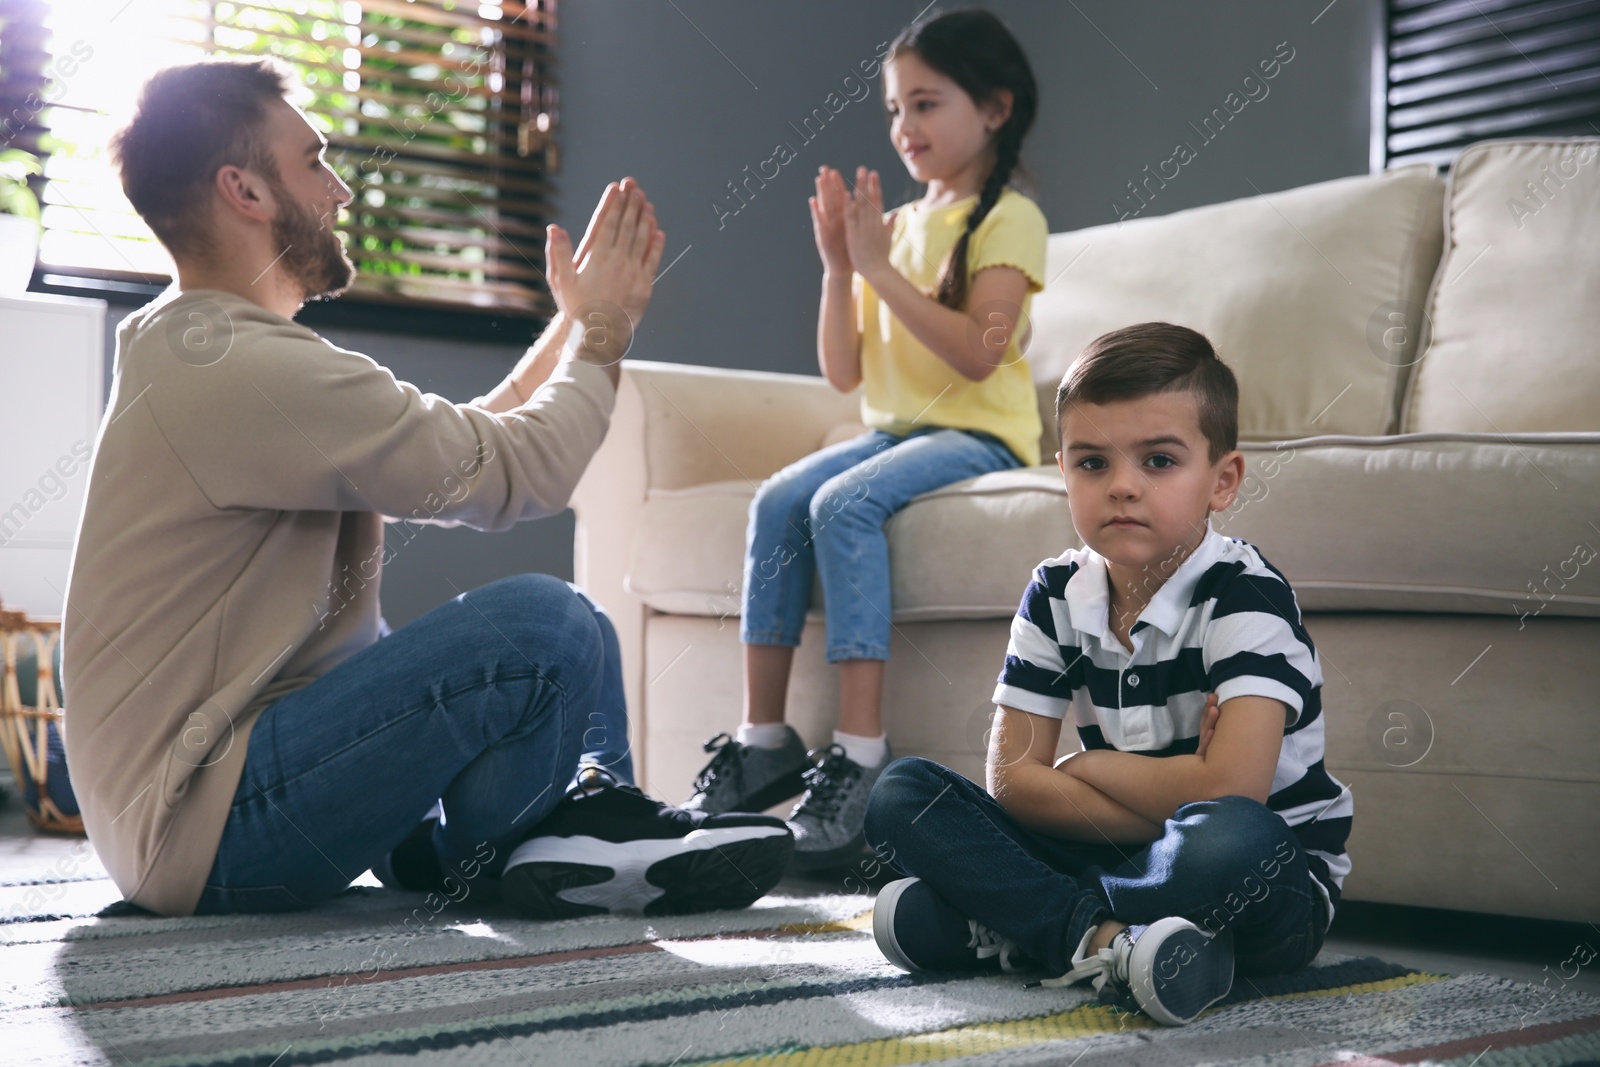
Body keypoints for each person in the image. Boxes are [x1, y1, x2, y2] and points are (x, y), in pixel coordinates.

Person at [60, 57, 794, 919]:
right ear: (245, 191)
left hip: (215, 801)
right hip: (210, 828)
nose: (337, 190)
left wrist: (569, 325)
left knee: (583, 623)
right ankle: (535, 842)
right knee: (545, 623)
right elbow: (522, 473)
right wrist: (604, 331)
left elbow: (470, 439)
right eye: (313, 160)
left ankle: (578, 827)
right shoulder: (239, 365)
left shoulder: (203, 345)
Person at [864, 323, 1354, 1026]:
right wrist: (1175, 776)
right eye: (1093, 463)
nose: (1122, 485)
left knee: (1227, 840)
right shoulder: (1057, 591)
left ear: (1223, 480)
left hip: (1262, 877)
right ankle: (1105, 940)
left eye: (1158, 460)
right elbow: (1012, 780)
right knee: (901, 793)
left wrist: (1087, 765)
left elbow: (1229, 789)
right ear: (1062, 469)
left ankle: (1014, 921)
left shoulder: (1246, 593)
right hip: (1117, 847)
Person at [683, 9, 1050, 873]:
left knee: (842, 504)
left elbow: (979, 349)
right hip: (893, 427)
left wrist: (879, 268)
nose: (903, 129)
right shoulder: (898, 228)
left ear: (994, 109)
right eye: (894, 110)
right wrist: (841, 268)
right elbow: (843, 372)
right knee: (780, 498)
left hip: (983, 434)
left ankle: (857, 751)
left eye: (925, 105)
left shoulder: (1010, 220)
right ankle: (764, 740)